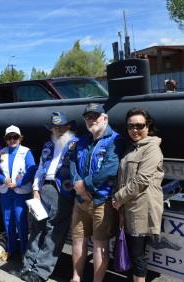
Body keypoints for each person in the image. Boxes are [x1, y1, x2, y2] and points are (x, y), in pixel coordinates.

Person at [20, 112, 78, 282]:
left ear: (68, 127)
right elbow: (40, 168)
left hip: (63, 192)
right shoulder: (48, 144)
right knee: (36, 227)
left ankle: (41, 271)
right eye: (55, 127)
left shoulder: (76, 144)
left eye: (61, 126)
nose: (58, 130)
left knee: (55, 232)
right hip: (44, 188)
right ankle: (28, 265)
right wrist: (36, 189)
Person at [69, 103, 123, 282]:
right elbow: (72, 162)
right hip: (81, 200)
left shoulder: (115, 140)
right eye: (88, 117)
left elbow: (110, 169)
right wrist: (78, 184)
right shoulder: (82, 140)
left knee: (100, 246)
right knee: (78, 241)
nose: (91, 120)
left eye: (95, 116)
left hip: (102, 200)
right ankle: (76, 278)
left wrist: (85, 185)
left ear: (105, 118)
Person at [112, 108, 164, 282]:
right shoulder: (131, 149)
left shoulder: (152, 149)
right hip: (128, 208)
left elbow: (141, 180)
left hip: (141, 210)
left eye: (139, 126)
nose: (135, 130)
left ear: (148, 126)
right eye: (130, 126)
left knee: (137, 255)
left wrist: (117, 198)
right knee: (131, 253)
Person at [0, 125, 36, 258]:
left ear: (20, 138)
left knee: (21, 222)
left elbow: (32, 170)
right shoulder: (2, 152)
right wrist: (4, 180)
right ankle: (12, 249)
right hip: (6, 192)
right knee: (7, 222)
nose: (12, 140)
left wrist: (18, 183)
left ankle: (24, 252)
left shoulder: (26, 152)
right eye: (9, 137)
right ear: (6, 139)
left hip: (21, 192)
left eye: (15, 137)